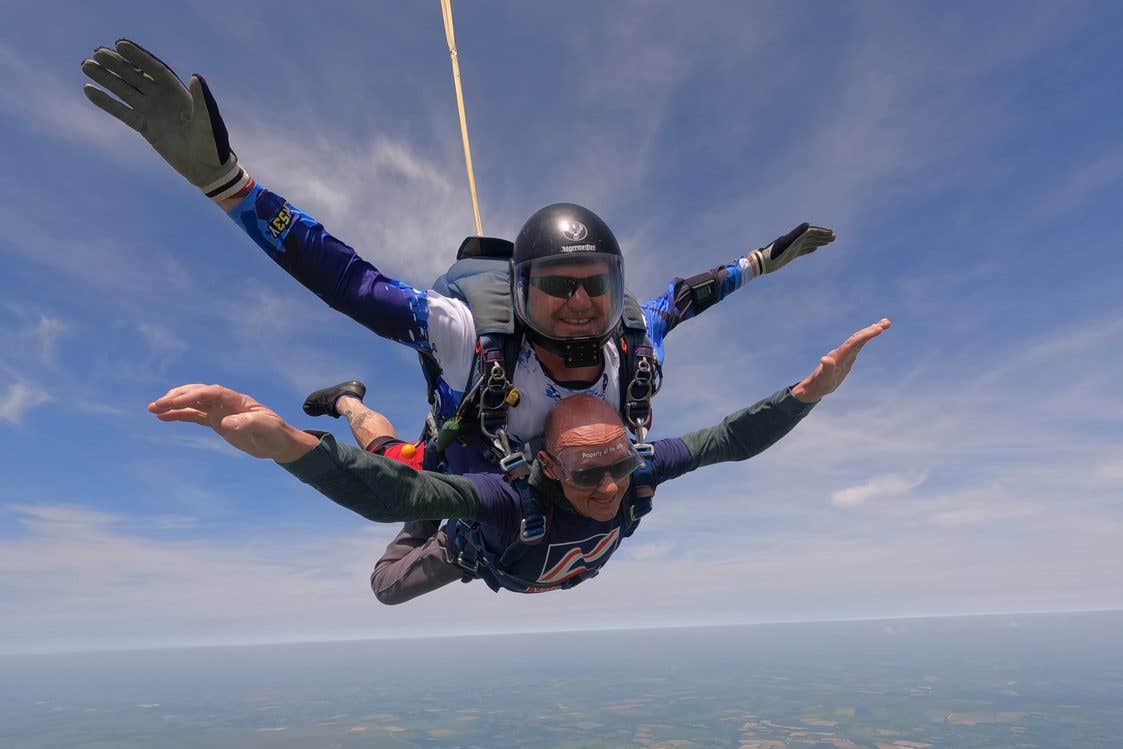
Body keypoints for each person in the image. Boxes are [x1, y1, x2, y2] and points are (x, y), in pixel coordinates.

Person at [82, 39, 839, 475]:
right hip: (467, 457)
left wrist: (764, 258)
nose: (579, 304)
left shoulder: (632, 342)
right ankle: (344, 397)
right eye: (557, 287)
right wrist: (231, 187)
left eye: (594, 286)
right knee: (385, 452)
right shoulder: (466, 334)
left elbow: (692, 294)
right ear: (519, 288)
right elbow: (351, 281)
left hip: (562, 479)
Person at [149, 319, 891, 603]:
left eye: (615, 468)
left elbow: (726, 440)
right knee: (388, 557)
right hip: (459, 516)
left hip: (486, 518)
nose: (607, 486)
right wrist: (288, 446)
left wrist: (806, 394)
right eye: (586, 472)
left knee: (411, 471)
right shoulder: (506, 499)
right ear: (545, 465)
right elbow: (383, 495)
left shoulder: (637, 464)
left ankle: (422, 467)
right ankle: (347, 398)